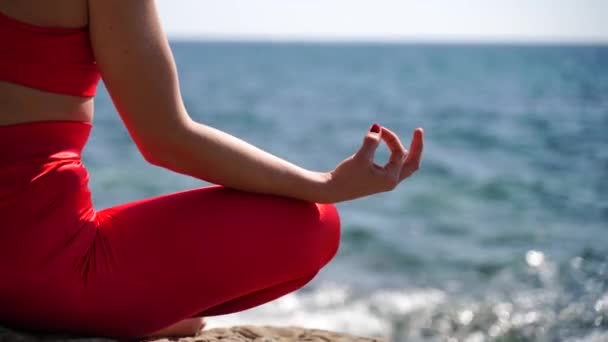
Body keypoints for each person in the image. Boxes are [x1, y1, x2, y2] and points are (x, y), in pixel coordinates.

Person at [0, 0, 424, 339]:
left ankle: (121, 307)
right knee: (315, 223)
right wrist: (326, 184)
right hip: (33, 273)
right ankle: (115, 315)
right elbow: (165, 137)